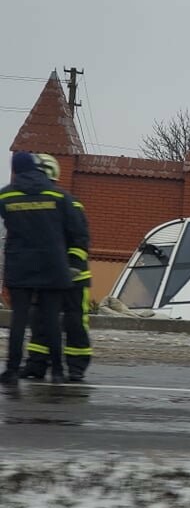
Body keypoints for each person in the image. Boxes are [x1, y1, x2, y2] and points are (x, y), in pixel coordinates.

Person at [0, 151, 81, 384]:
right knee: (52, 320)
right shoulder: (57, 195)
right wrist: (73, 262)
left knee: (18, 320)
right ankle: (56, 371)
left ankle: (12, 370)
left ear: (15, 169)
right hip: (53, 266)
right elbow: (75, 229)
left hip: (20, 266)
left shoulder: (7, 196)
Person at [20, 153, 93, 382]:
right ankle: (37, 365)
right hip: (46, 275)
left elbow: (80, 239)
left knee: (74, 320)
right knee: (39, 320)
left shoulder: (69, 202)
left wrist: (72, 265)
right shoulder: (34, 203)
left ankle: (76, 367)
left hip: (74, 276)